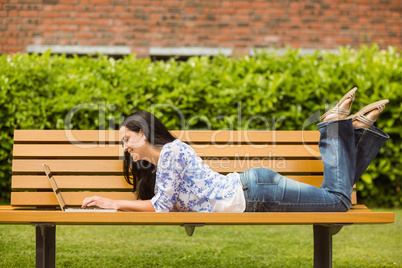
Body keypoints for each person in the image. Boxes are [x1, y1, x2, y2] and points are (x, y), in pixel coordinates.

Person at [82, 88, 389, 212]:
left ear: (144, 134)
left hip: (256, 192)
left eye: (127, 140)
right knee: (337, 198)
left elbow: (161, 207)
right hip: (254, 192)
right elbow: (173, 201)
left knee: (338, 203)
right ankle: (358, 130)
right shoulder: (165, 161)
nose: (125, 148)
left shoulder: (172, 153)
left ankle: (336, 127)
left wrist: (110, 202)